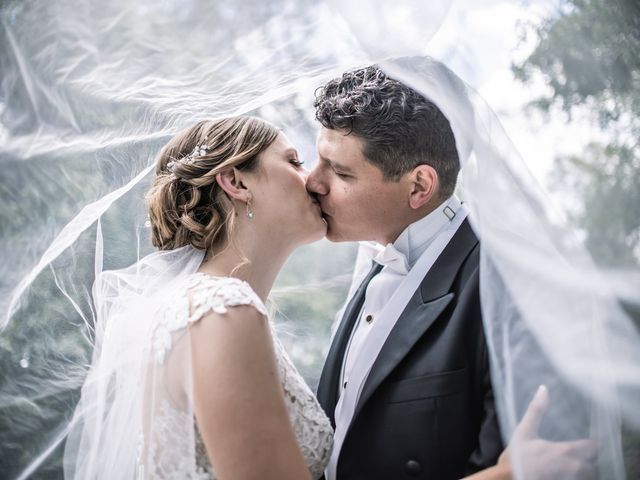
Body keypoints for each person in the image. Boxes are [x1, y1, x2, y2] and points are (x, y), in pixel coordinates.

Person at [63, 116, 334, 479]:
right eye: (294, 161)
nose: (313, 180)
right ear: (236, 182)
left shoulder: (197, 307)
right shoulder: (222, 310)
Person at [307, 64, 504, 479]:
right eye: (318, 160)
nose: (313, 182)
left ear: (419, 187)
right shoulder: (372, 261)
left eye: (340, 172)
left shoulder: (499, 286)